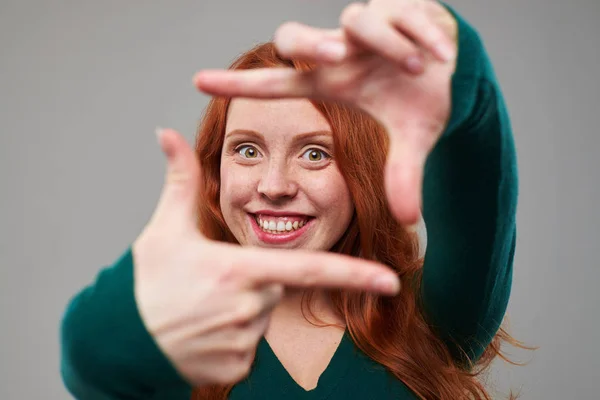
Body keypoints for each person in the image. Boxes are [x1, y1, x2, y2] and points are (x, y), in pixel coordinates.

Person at [60, 0, 526, 399]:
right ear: (214, 172)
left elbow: (477, 199)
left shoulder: (430, 316)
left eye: (315, 153)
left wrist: (458, 76)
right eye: (247, 149)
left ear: (361, 174)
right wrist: (137, 304)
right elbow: (91, 360)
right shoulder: (180, 336)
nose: (275, 185)